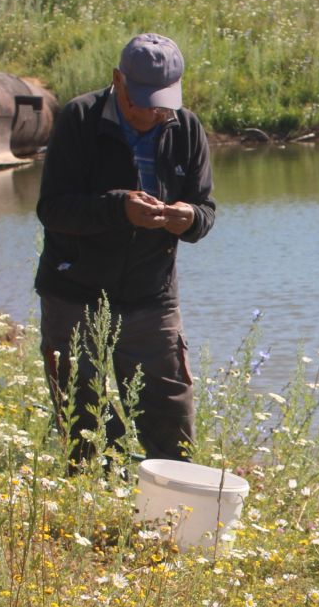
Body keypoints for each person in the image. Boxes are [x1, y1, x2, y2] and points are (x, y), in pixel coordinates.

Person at [35, 33, 216, 463]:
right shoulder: (80, 118)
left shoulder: (186, 127)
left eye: (161, 103)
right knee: (84, 420)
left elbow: (205, 210)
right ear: (117, 80)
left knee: (171, 423)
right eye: (142, 102)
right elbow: (53, 209)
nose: (152, 114)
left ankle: (172, 514)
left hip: (151, 298)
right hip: (75, 295)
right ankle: (95, 509)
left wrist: (188, 218)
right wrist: (119, 210)